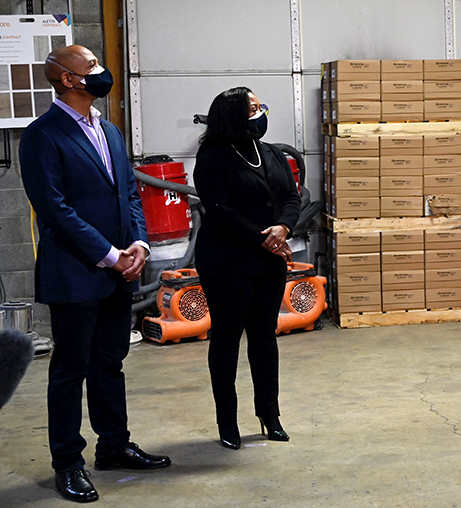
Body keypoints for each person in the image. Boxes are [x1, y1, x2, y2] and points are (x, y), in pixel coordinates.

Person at [19, 45, 171, 503]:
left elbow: (128, 189)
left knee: (110, 363)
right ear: (67, 79)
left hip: (119, 269)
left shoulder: (110, 130)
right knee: (69, 371)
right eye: (91, 67)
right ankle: (67, 463)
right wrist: (109, 253)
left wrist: (140, 244)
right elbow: (55, 210)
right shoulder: (42, 136)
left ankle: (114, 445)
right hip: (77, 271)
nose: (101, 72)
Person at [193, 87, 301, 450]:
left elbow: (291, 196)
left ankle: (269, 415)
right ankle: (228, 422)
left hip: (268, 261)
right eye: (252, 109)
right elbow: (220, 209)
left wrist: (283, 227)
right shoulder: (212, 157)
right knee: (226, 339)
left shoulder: (270, 153)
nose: (259, 114)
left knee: (264, 337)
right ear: (233, 116)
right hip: (227, 262)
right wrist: (263, 237)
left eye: (261, 107)